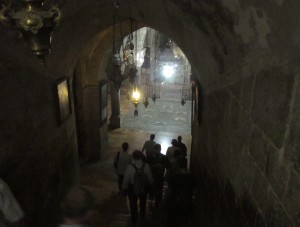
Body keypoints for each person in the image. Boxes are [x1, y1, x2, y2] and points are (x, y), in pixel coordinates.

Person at [122, 150, 154, 224]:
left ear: (133, 157)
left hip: (132, 188)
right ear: (141, 157)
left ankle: (134, 219)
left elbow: (126, 179)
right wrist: (152, 186)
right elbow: (150, 178)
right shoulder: (146, 166)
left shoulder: (129, 167)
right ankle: (142, 217)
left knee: (133, 204)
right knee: (143, 203)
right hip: (143, 186)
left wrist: (124, 188)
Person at [166, 157, 197, 226]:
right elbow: (194, 192)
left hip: (175, 202)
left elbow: (169, 190)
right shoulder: (192, 177)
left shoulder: (174, 177)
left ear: (178, 165)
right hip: (187, 202)